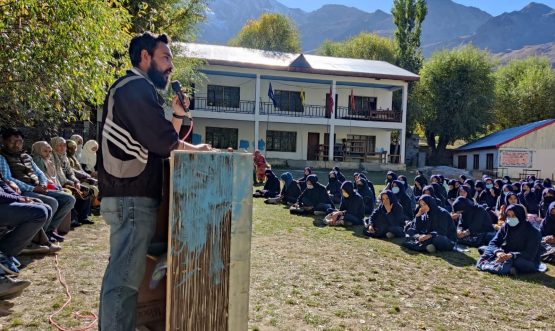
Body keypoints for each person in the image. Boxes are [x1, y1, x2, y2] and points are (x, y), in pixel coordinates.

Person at [97, 31, 212, 330]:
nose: (170, 66)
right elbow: (165, 143)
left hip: (132, 198)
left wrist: (175, 114)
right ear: (145, 57)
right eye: (165, 58)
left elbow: (158, 142)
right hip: (131, 198)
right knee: (123, 281)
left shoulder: (138, 90)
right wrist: (197, 149)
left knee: (124, 275)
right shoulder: (134, 88)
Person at [0, 128, 76, 242]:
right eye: (12, 141)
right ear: (4, 142)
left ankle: (49, 231)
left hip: (38, 188)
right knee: (52, 202)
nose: (16, 145)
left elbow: (40, 173)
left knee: (69, 199)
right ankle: (37, 238)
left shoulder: (27, 157)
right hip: (22, 191)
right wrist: (33, 188)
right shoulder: (2, 157)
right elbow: (8, 178)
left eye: (19, 142)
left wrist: (43, 184)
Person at [476, 204, 542, 275]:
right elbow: (493, 243)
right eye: (508, 215)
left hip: (525, 259)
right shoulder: (506, 227)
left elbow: (530, 254)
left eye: (513, 216)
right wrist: (498, 252)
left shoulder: (533, 232)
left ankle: (505, 267)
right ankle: (509, 268)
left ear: (520, 216)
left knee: (517, 261)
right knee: (484, 249)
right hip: (506, 254)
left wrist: (511, 255)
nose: (510, 218)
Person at [51, 136, 94, 226]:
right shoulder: (52, 158)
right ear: (54, 146)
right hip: (58, 183)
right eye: (59, 145)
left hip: (67, 181)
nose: (63, 147)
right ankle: (72, 219)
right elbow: (58, 176)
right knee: (73, 191)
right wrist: (72, 183)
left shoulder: (65, 158)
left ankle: (83, 216)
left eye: (64, 145)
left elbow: (70, 173)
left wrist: (76, 182)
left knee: (87, 190)